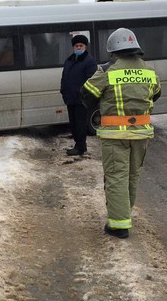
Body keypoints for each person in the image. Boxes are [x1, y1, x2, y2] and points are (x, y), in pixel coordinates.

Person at [80, 28, 161, 239]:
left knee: (116, 177)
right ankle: (124, 215)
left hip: (115, 135)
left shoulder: (107, 70)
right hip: (141, 134)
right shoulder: (148, 71)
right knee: (132, 175)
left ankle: (119, 225)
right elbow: (156, 94)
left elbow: (86, 95)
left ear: (113, 50)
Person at [60, 34, 98, 156]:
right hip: (70, 98)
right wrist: (63, 90)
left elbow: (90, 80)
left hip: (81, 100)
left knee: (80, 124)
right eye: (76, 46)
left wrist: (82, 94)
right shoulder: (70, 60)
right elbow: (64, 77)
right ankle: (79, 145)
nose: (78, 47)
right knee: (73, 124)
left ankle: (80, 147)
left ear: (85, 47)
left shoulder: (90, 61)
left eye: (81, 45)